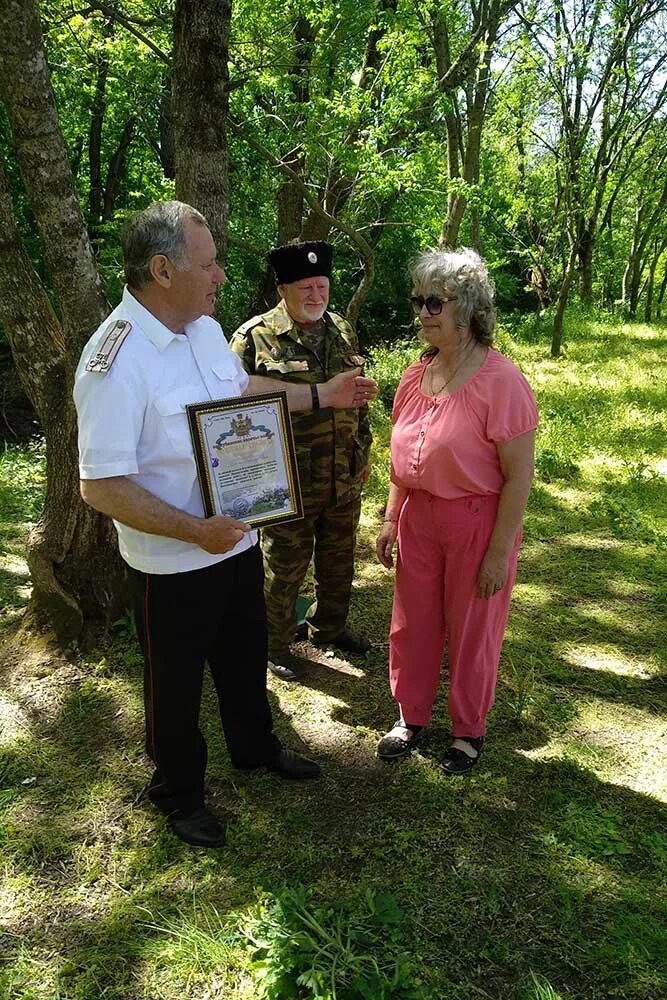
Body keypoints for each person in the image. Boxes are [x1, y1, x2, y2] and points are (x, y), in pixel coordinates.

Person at [73, 201, 378, 848]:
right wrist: (194, 530)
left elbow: (242, 395)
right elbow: (98, 485)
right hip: (172, 565)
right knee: (175, 689)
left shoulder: (205, 330)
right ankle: (179, 794)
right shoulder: (114, 361)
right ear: (162, 269)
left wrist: (322, 395)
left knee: (244, 661)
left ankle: (255, 748)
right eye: (207, 263)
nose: (219, 275)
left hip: (237, 538)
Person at [375, 248, 538, 774]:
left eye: (434, 302)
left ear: (466, 308)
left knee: (472, 630)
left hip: (476, 523)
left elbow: (518, 477)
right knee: (412, 623)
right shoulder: (411, 376)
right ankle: (411, 716)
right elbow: (400, 461)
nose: (422, 312)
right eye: (418, 300)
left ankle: (468, 730)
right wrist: (389, 518)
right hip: (417, 520)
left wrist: (498, 553)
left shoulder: (501, 381)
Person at [230, 241, 373, 682]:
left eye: (322, 285)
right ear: (282, 289)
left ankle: (329, 628)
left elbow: (354, 392)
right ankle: (274, 643)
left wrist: (364, 437)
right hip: (284, 478)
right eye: (305, 287)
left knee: (339, 559)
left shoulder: (342, 329)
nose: (316, 294)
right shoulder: (253, 337)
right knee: (283, 566)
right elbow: (229, 400)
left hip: (342, 473)